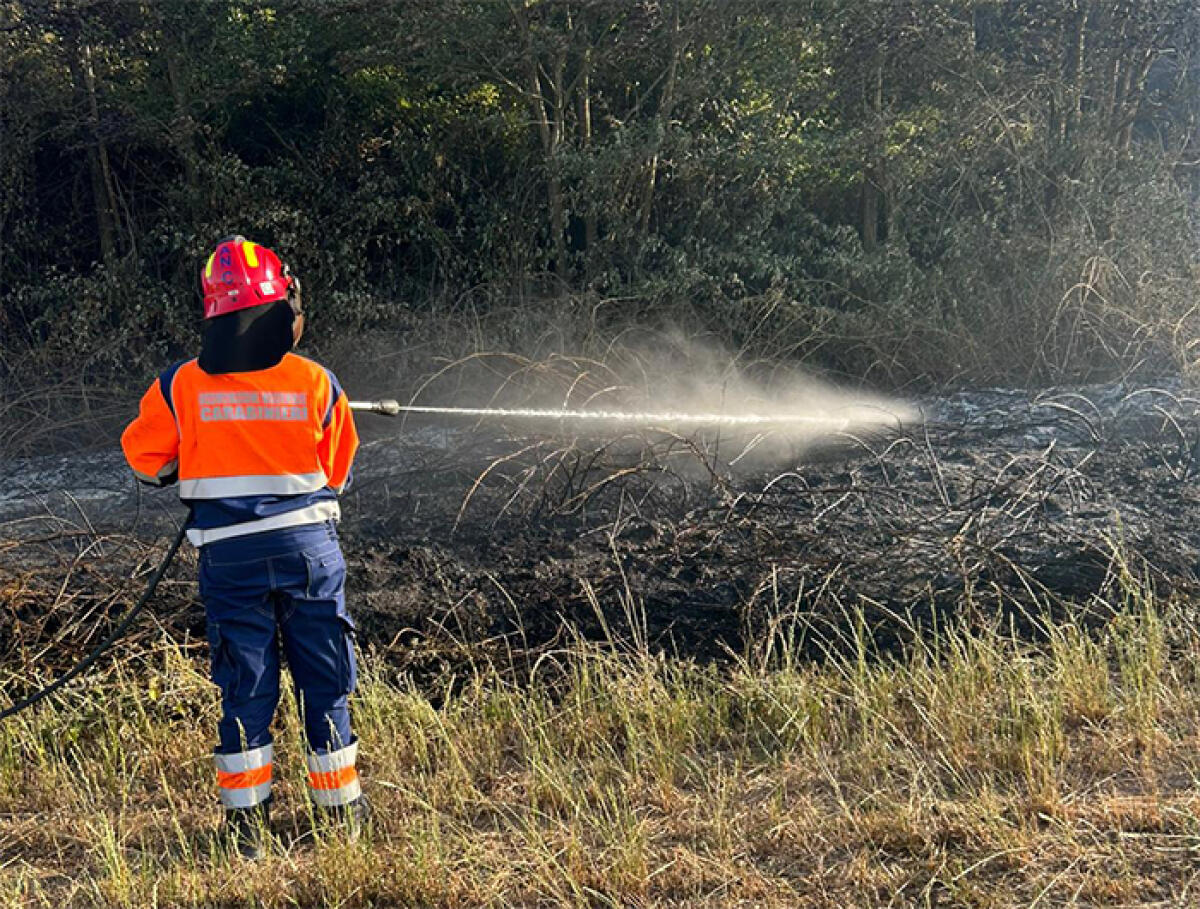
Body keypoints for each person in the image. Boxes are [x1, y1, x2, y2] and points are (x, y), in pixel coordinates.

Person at [120, 236, 366, 858]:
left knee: (246, 685)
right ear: (284, 306)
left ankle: (247, 830)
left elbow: (144, 460)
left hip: (229, 560)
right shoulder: (316, 381)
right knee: (325, 677)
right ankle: (340, 819)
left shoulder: (180, 385)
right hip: (310, 552)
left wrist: (190, 464)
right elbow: (338, 470)